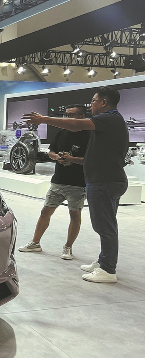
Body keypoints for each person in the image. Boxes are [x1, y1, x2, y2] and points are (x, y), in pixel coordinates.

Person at [22, 86, 129, 283]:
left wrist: (43, 119)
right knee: (105, 225)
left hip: (104, 181)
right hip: (105, 180)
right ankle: (103, 261)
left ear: (104, 102)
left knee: (104, 227)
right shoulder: (110, 121)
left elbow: (74, 125)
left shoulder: (109, 118)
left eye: (94, 101)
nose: (91, 105)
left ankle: (108, 269)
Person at [18, 104, 90, 260]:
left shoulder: (89, 136)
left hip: (78, 183)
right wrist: (57, 157)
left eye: (71, 115)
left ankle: (68, 247)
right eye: (66, 115)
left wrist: (72, 159)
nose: (67, 118)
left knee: (75, 215)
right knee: (45, 212)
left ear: (82, 116)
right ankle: (35, 243)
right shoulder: (62, 133)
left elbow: (90, 160)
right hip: (58, 181)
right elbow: (51, 152)